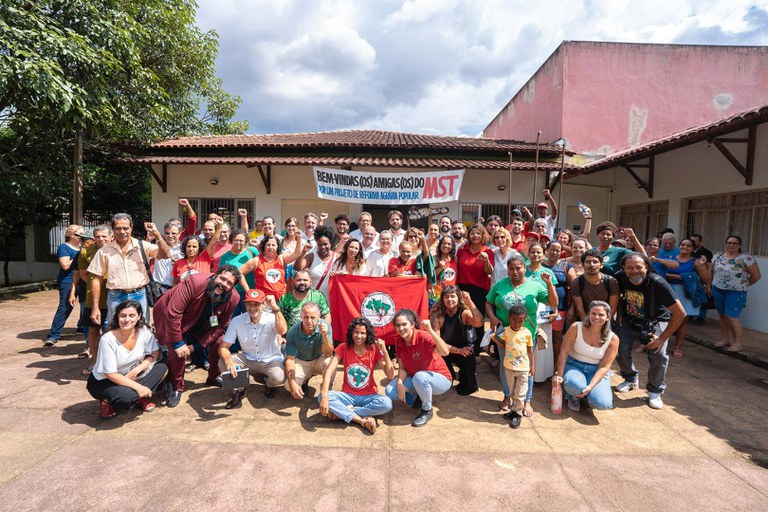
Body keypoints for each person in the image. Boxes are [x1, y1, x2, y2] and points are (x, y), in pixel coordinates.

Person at [153, 265, 242, 407]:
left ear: (233, 287)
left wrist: (197, 346)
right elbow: (173, 313)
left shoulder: (233, 298)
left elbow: (222, 326)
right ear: (215, 275)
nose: (223, 284)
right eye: (222, 278)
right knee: (178, 353)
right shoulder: (194, 282)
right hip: (174, 319)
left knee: (220, 341)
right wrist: (178, 343)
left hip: (203, 323)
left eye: (229, 283)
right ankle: (177, 387)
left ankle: (214, 376)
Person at [486, 254, 557, 415]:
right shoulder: (500, 285)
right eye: (511, 269)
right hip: (504, 334)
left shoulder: (535, 286)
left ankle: (526, 400)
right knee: (506, 367)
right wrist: (492, 317)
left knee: (526, 369)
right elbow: (489, 302)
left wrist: (549, 284)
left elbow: (553, 303)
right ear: (508, 270)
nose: (515, 271)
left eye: (518, 268)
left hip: (526, 335)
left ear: (525, 268)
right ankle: (507, 396)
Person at [614, 253, 686, 409]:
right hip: (630, 319)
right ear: (623, 269)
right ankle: (631, 379)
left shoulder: (657, 283)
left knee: (658, 355)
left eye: (639, 267)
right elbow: (617, 297)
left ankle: (655, 391)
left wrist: (662, 339)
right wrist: (619, 314)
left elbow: (680, 313)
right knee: (619, 349)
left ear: (646, 267)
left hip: (655, 321)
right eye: (630, 268)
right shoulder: (620, 277)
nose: (634, 271)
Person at [86, 300, 169, 419]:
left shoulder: (143, 330)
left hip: (133, 374)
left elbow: (155, 353)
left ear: (139, 316)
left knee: (162, 368)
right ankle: (107, 401)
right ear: (117, 316)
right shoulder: (108, 339)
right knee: (126, 398)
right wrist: (139, 387)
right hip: (105, 381)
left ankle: (138, 397)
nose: (127, 320)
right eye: (123, 316)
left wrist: (137, 370)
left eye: (132, 315)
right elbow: (111, 374)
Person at [88, 213, 170, 324]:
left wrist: (157, 234)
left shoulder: (142, 246)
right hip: (115, 296)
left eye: (125, 228)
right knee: (116, 330)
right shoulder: (104, 251)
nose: (122, 232)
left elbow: (165, 255)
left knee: (141, 330)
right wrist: (95, 307)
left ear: (131, 228)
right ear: (113, 230)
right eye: (118, 228)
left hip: (139, 295)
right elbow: (96, 279)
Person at [318, 317, 394, 434]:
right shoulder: (343, 347)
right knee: (322, 397)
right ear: (351, 333)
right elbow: (329, 371)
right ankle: (361, 420)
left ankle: (344, 413)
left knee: (386, 403)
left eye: (363, 333)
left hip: (369, 395)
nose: (359, 336)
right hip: (347, 395)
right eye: (356, 332)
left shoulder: (373, 348)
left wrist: (384, 351)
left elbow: (390, 375)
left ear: (367, 334)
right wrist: (324, 396)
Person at [218, 289, 287, 408]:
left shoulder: (271, 318)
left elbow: (283, 330)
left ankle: (269, 385)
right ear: (245, 305)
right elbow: (223, 347)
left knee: (279, 377)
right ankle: (240, 389)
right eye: (249, 304)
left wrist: (276, 308)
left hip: (270, 359)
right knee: (223, 362)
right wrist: (229, 361)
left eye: (256, 304)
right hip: (248, 358)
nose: (252, 308)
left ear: (264, 304)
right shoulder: (237, 321)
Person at [385, 309, 453, 427]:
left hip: (440, 379)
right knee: (390, 391)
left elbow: (445, 352)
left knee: (419, 377)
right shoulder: (399, 342)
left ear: (412, 324)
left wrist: (431, 330)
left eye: (404, 324)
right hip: (417, 377)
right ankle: (419, 396)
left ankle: (427, 410)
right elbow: (402, 368)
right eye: (398, 325)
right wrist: (400, 383)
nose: (401, 328)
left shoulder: (423, 336)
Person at [554, 300, 619, 412]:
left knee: (603, 404)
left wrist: (591, 386)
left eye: (601, 314)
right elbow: (564, 352)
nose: (596, 317)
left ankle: (588, 393)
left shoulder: (613, 339)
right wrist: (559, 374)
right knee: (574, 384)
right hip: (574, 364)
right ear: (588, 314)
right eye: (593, 313)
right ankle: (572, 396)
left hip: (596, 369)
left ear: (608, 317)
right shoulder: (576, 327)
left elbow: (604, 366)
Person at [710, 235, 762, 353]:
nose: (731, 245)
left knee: (731, 317)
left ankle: (738, 343)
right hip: (718, 289)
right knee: (722, 315)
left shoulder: (746, 258)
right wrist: (709, 285)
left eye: (735, 243)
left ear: (739, 245)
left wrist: (743, 284)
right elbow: (710, 271)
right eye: (729, 242)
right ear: (725, 244)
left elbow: (756, 276)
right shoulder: (718, 256)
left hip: (736, 292)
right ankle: (725, 339)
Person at [430, 286, 484, 395]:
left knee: (469, 356)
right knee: (445, 377)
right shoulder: (437, 316)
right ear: (442, 299)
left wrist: (469, 302)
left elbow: (479, 323)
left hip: (462, 347)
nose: (449, 300)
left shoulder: (463, 313)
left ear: (458, 298)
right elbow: (437, 341)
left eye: (453, 296)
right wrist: (457, 350)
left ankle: (467, 382)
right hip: (443, 350)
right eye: (446, 297)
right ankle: (449, 375)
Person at [665, 239, 710, 357]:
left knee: (682, 321)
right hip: (669, 290)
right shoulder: (671, 258)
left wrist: (679, 277)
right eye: (682, 245)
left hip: (686, 292)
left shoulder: (696, 262)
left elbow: (705, 279)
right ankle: (662, 344)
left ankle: (678, 347)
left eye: (688, 246)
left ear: (693, 249)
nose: (685, 247)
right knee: (665, 319)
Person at [78, 225, 112, 374]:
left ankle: (110, 363)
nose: (101, 239)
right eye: (97, 236)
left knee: (110, 332)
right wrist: (96, 286)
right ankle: (95, 360)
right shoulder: (86, 252)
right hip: (94, 300)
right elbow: (84, 275)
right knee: (93, 331)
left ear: (111, 236)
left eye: (104, 236)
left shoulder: (116, 251)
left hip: (113, 297)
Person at [493, 304, 533, 428]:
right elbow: (503, 346)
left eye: (520, 321)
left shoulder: (527, 333)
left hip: (523, 368)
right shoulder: (506, 331)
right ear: (509, 318)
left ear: (525, 320)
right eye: (514, 320)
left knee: (520, 393)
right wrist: (494, 338)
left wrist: (532, 366)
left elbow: (530, 350)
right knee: (512, 391)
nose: (517, 323)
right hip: (509, 367)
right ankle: (513, 410)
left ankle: (518, 414)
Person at [44, 224, 84, 346]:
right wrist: (80, 255)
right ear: (72, 235)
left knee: (85, 304)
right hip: (67, 280)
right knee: (65, 306)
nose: (83, 237)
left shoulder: (82, 248)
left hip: (82, 279)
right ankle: (54, 334)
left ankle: (81, 327)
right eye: (80, 234)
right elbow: (65, 265)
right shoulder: (64, 247)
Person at [284, 302, 334, 400]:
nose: (309, 321)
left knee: (330, 362)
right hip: (301, 361)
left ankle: (327, 391)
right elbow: (290, 359)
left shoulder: (325, 326)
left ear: (319, 316)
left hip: (319, 359)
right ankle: (305, 378)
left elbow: (328, 353)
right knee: (288, 387)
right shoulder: (292, 332)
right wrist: (292, 382)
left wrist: (324, 336)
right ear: (300, 316)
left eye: (313, 317)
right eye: (306, 317)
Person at [456, 224, 494, 354]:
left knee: (477, 319)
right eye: (472, 233)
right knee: (462, 317)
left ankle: (476, 348)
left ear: (483, 235)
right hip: (462, 287)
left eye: (478, 233)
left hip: (479, 289)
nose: (475, 236)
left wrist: (486, 260)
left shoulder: (488, 251)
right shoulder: (462, 249)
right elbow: (456, 267)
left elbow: (490, 272)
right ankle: (461, 346)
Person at [239, 233, 307, 299]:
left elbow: (297, 254)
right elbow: (239, 273)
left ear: (277, 247)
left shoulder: (281, 258)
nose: (271, 247)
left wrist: (299, 238)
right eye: (268, 245)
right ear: (264, 246)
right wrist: (248, 291)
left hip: (281, 301)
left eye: (273, 245)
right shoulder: (256, 260)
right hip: (263, 302)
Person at [570, 249, 620, 323]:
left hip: (605, 321)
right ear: (582, 265)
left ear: (601, 265)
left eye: (595, 262)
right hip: (585, 320)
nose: (591, 265)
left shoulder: (611, 282)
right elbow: (579, 308)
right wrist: (587, 326)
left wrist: (603, 324)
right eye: (588, 262)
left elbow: (612, 308)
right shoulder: (576, 282)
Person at [218, 228, 259, 316]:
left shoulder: (252, 252)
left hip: (249, 291)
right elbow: (219, 275)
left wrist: (258, 246)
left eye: (241, 240)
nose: (238, 242)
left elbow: (263, 261)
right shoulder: (225, 257)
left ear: (245, 241)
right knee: (232, 318)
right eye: (236, 240)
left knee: (249, 317)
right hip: (232, 292)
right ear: (231, 240)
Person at [172, 218, 223, 285]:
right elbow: (175, 284)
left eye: (194, 246)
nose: (191, 249)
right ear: (185, 247)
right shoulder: (178, 263)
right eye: (189, 246)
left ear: (199, 248)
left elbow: (213, 242)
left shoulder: (205, 258)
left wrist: (219, 227)